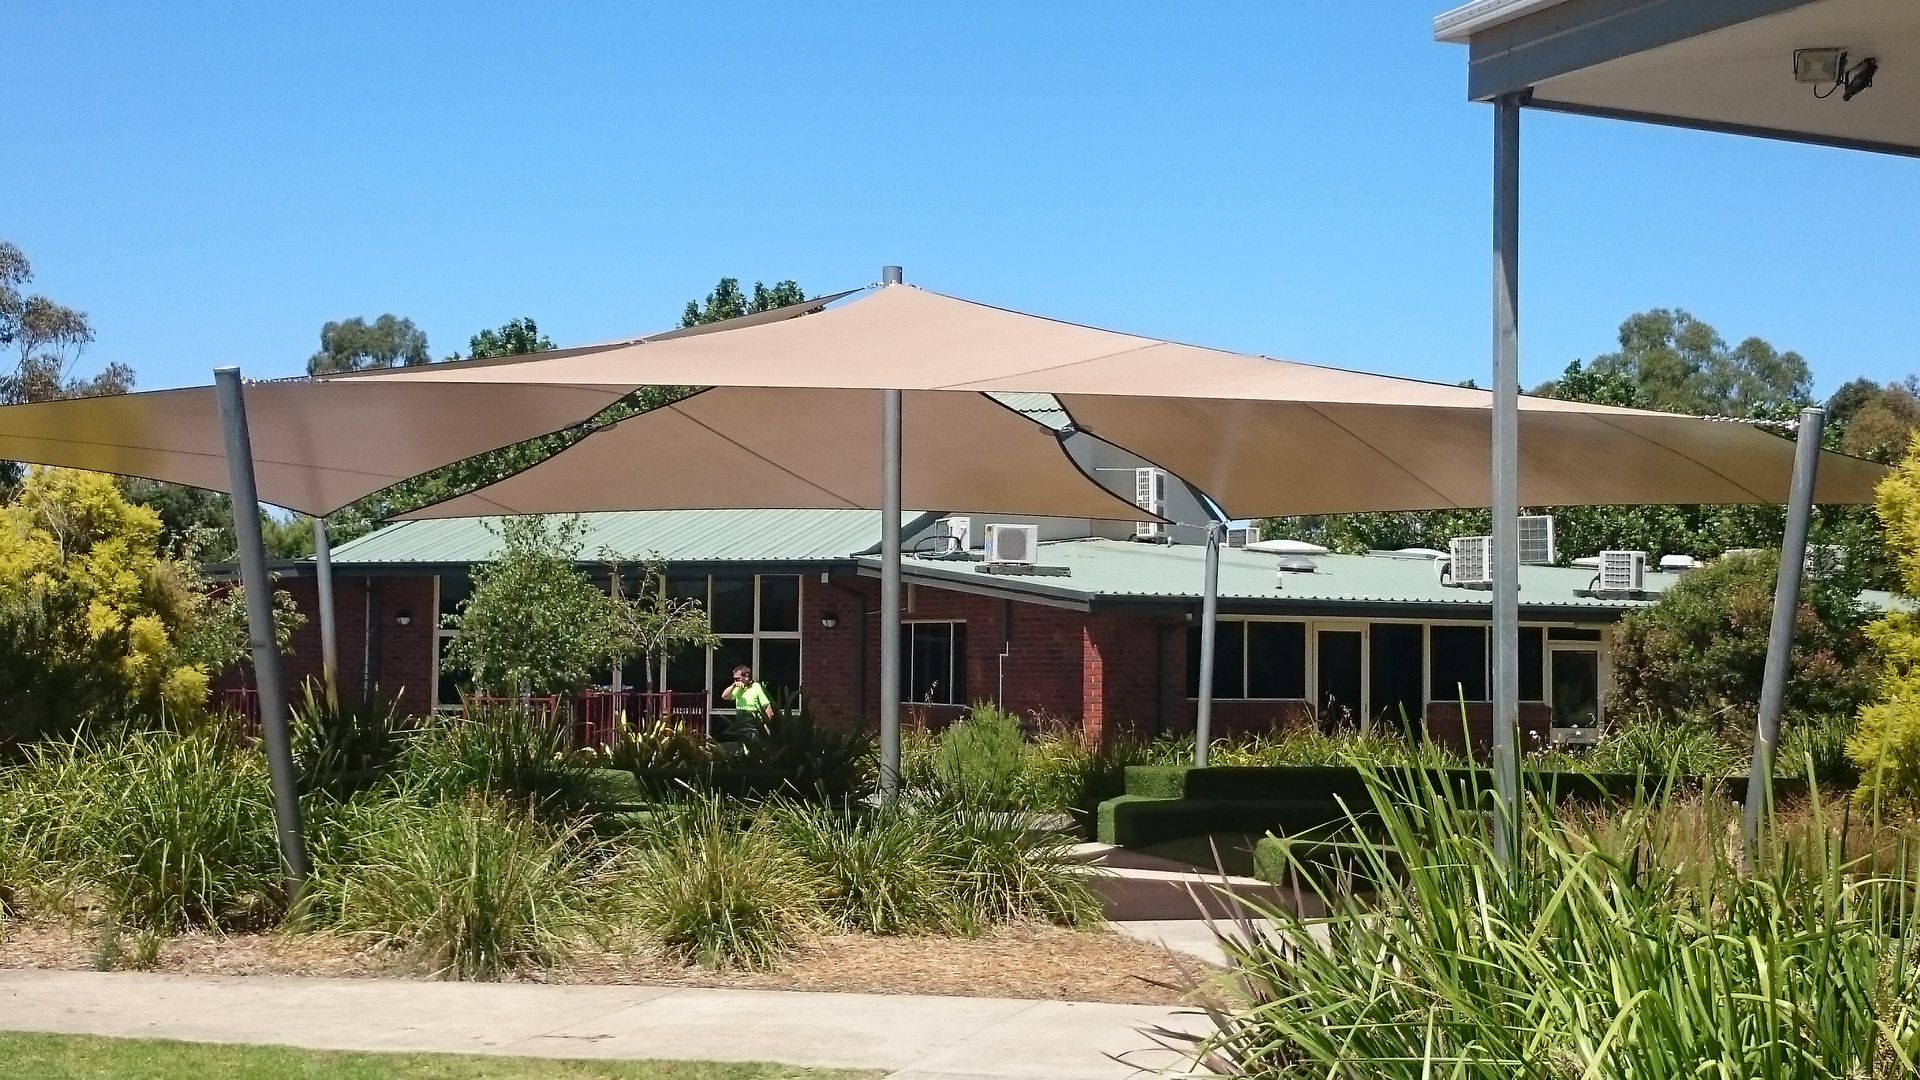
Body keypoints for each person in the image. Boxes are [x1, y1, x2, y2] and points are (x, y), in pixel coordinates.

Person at [721, 663, 773, 740]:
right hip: (741, 723)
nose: (736, 681)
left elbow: (767, 707)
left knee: (754, 746)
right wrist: (733, 685)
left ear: (746, 677)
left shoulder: (756, 687)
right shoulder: (738, 688)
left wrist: (766, 725)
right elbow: (724, 696)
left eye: (738, 679)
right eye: (734, 679)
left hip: (753, 723)